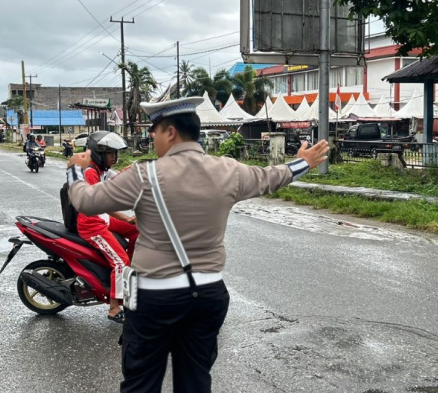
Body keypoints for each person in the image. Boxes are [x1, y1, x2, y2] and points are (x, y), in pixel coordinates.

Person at [65, 97, 329, 392]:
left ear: (171, 132)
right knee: (195, 381)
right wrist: (304, 163)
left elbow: (86, 202)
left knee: (141, 383)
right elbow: (274, 177)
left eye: (155, 131)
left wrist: (75, 170)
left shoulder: (144, 175)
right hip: (208, 295)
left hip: (154, 297)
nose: (152, 137)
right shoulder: (229, 170)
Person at [76, 131, 140, 324]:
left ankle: (133, 272)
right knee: (120, 260)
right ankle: (114, 308)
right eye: (111, 153)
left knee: (138, 229)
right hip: (92, 224)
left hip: (102, 219)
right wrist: (126, 217)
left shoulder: (102, 170)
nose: (115, 157)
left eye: (115, 153)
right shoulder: (90, 173)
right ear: (98, 153)